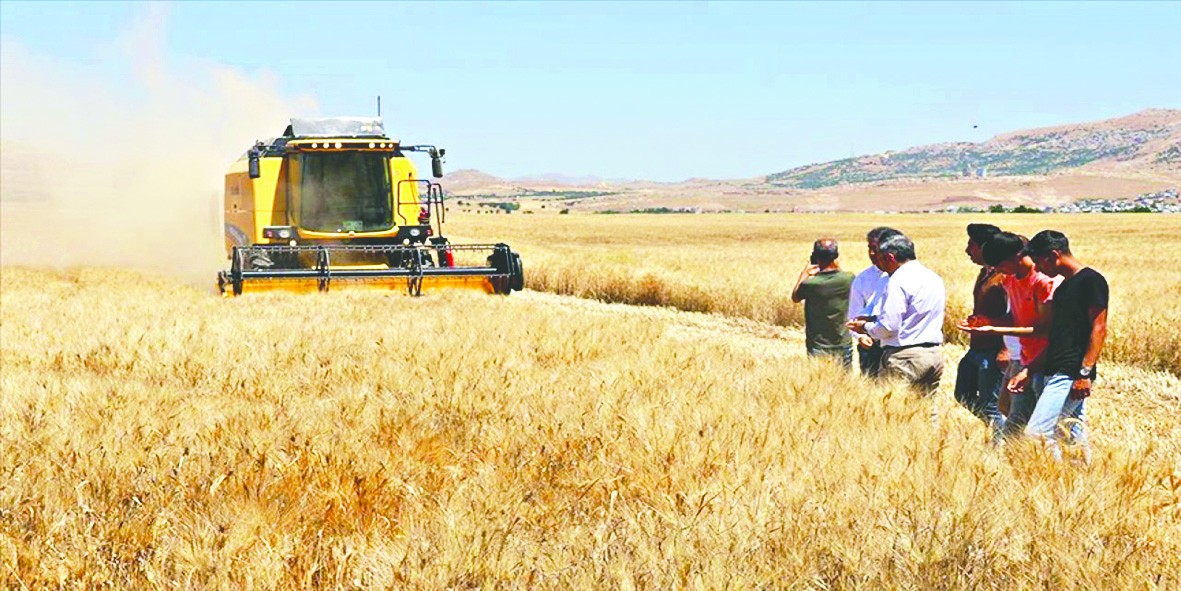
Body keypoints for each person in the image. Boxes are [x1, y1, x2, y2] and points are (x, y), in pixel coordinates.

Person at [960, 231, 1060, 438]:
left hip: (1046, 360)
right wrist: (988, 322)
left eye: (1001, 266)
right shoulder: (1010, 280)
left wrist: (995, 330)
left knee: (1052, 426)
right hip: (1024, 356)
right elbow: (1015, 318)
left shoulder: (1042, 281)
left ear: (1016, 257)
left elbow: (1044, 329)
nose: (999, 272)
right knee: (1008, 410)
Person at [1020, 230, 1107, 460]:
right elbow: (1058, 336)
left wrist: (1084, 372)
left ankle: (1054, 480)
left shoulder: (1091, 281)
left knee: (1037, 433)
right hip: (1056, 368)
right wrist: (1030, 369)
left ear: (1053, 255)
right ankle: (1084, 483)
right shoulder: (1064, 288)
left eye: (1038, 261)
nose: (1037, 269)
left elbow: (1099, 328)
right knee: (1072, 434)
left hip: (1070, 372)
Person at [848, 233, 946, 396]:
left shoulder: (896, 281)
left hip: (904, 357)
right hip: (933, 354)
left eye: (880, 258)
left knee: (893, 410)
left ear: (890, 258)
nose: (878, 263)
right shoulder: (933, 278)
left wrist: (865, 327)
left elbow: (888, 327)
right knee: (928, 411)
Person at [953, 223, 1009, 438]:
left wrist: (1005, 349)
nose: (968, 250)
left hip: (993, 350)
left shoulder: (1003, 277)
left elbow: (1012, 314)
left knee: (990, 403)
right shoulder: (984, 274)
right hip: (977, 346)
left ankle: (1001, 443)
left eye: (972, 245)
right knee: (963, 394)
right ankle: (1004, 431)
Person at [847, 227, 902, 377]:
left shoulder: (904, 277)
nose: (872, 254)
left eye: (875, 249)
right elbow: (854, 315)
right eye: (869, 249)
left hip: (898, 345)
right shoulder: (862, 279)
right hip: (870, 345)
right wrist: (861, 337)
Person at [791, 238, 855, 366]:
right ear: (836, 256)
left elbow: (795, 297)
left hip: (818, 343)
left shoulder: (811, 284)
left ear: (815, 256)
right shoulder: (849, 278)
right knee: (844, 381)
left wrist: (805, 273)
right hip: (842, 340)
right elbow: (839, 273)